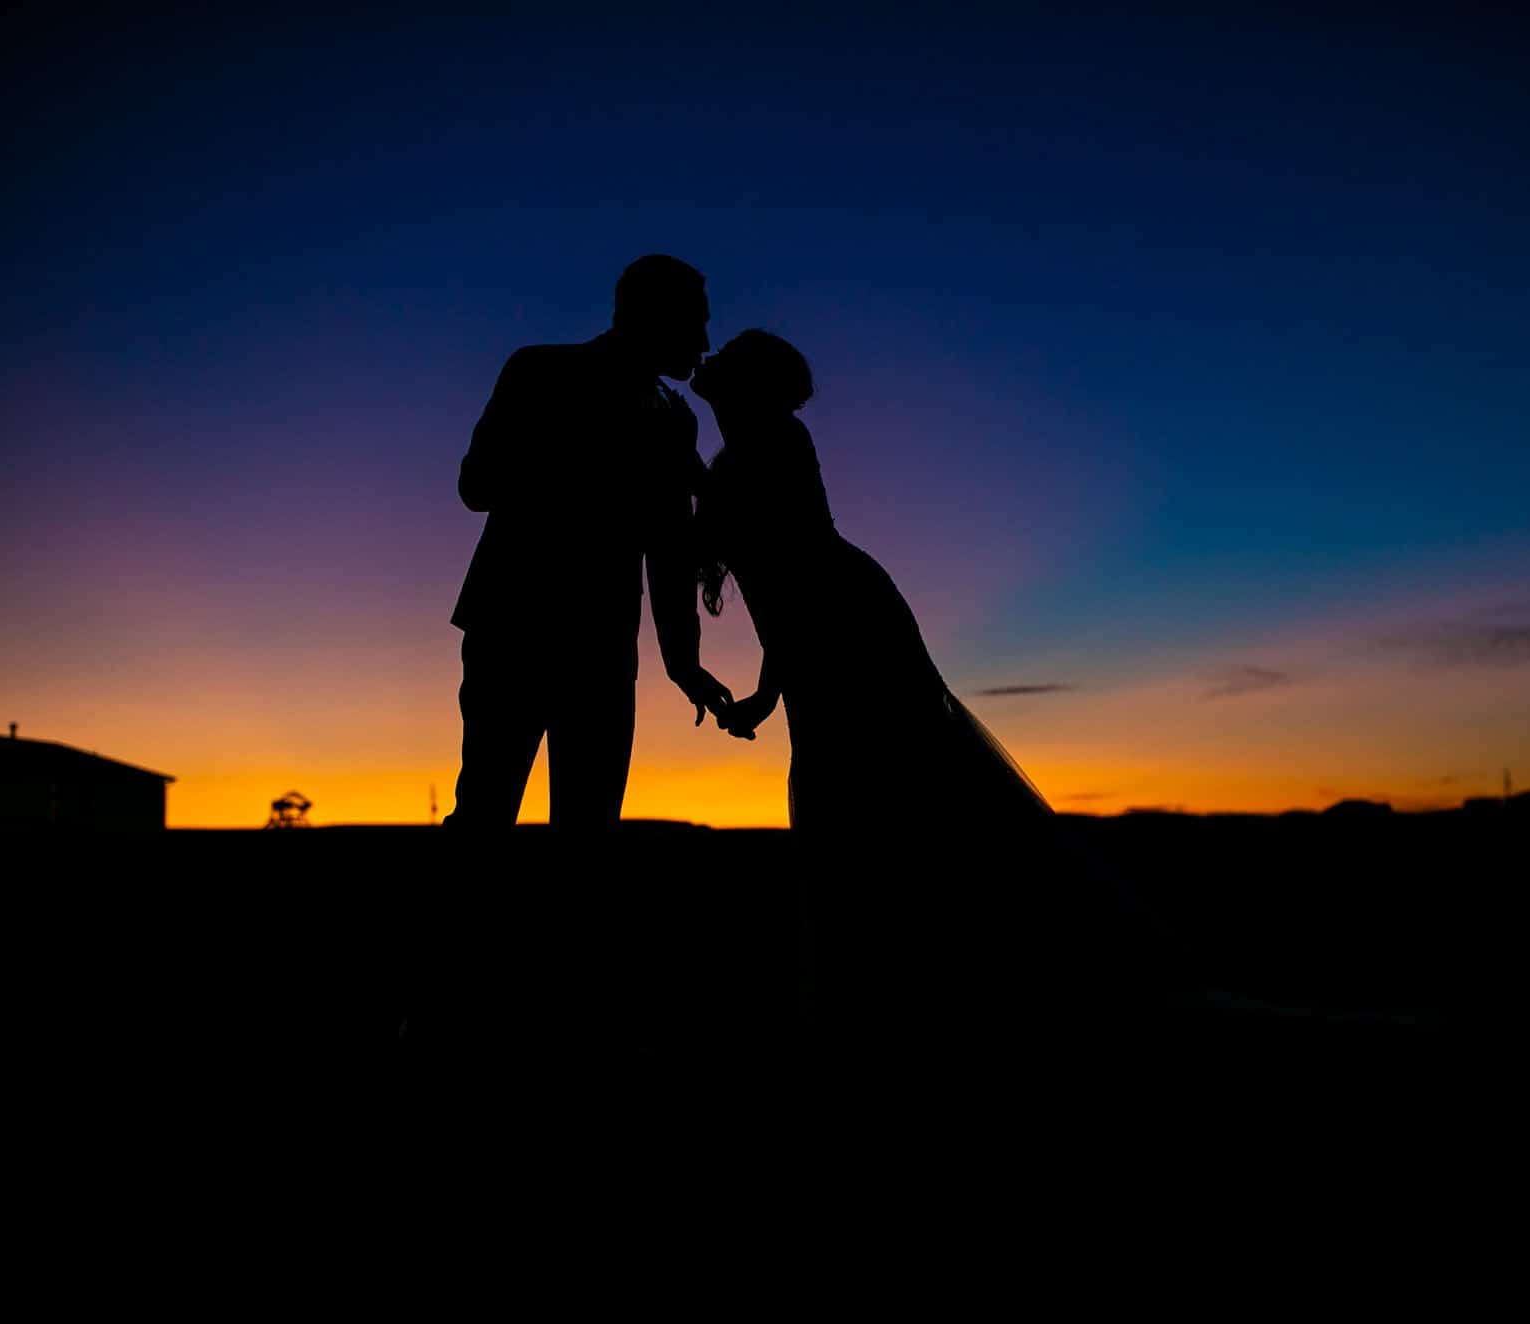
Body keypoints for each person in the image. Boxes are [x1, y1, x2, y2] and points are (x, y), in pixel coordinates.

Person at [691, 331, 1185, 1032]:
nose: (707, 358)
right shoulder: (736, 453)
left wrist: (770, 687)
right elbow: (780, 588)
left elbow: (797, 576)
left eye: (726, 356)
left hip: (849, 626)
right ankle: (891, 979)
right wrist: (770, 693)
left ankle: (919, 980)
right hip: (817, 632)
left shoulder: (771, 444)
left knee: (888, 779)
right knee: (852, 786)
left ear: (746, 383)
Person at [444, 255, 736, 829]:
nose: (705, 341)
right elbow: (476, 486)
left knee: (589, 834)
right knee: (483, 813)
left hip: (602, 648)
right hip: (510, 629)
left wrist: (684, 663)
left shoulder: (678, 421)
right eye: (695, 322)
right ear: (653, 316)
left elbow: (670, 550)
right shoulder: (537, 370)